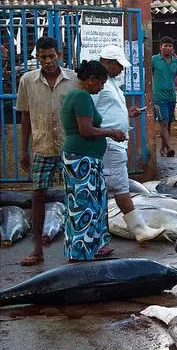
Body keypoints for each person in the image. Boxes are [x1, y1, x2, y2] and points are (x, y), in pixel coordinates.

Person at [93, 45, 165, 244]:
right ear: (107, 62)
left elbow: (109, 110)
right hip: (109, 142)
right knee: (120, 187)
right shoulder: (98, 84)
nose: (121, 69)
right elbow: (92, 112)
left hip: (115, 141)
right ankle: (139, 229)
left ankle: (103, 231)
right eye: (118, 65)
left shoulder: (111, 82)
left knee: (112, 186)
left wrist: (128, 114)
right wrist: (109, 131)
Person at [16, 36, 78, 266]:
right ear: (37, 57)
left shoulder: (74, 79)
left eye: (51, 56)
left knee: (74, 196)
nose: (48, 61)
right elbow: (25, 116)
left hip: (70, 147)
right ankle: (37, 249)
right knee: (38, 195)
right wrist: (23, 150)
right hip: (41, 147)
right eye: (43, 57)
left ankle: (76, 245)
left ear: (59, 55)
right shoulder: (27, 81)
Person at [59, 61, 127, 262]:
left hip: (84, 157)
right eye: (101, 83)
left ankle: (88, 248)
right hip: (82, 159)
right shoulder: (81, 97)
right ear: (91, 80)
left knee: (88, 204)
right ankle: (80, 252)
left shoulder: (77, 94)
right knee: (84, 206)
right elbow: (86, 130)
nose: (102, 87)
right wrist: (111, 132)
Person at [152, 36, 177, 157]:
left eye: (170, 46)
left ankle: (163, 148)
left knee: (168, 123)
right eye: (165, 46)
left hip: (171, 96)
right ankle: (170, 148)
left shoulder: (176, 61)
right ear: (160, 47)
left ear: (172, 48)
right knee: (163, 122)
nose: (168, 48)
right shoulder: (154, 60)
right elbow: (146, 74)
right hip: (158, 96)